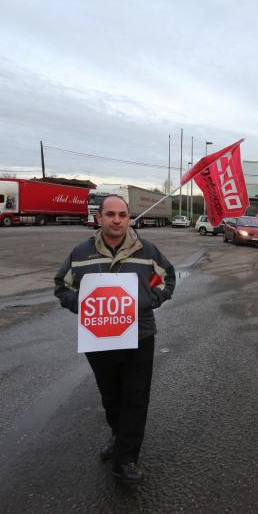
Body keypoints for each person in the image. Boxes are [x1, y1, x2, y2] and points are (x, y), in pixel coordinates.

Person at [54, 195, 176, 484]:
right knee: (111, 395)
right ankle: (119, 436)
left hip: (139, 335)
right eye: (110, 214)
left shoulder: (147, 250)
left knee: (135, 396)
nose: (117, 220)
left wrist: (148, 301)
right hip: (99, 338)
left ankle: (127, 458)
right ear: (100, 218)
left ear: (129, 217)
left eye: (122, 214)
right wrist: (83, 305)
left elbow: (168, 279)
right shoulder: (81, 252)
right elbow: (62, 286)